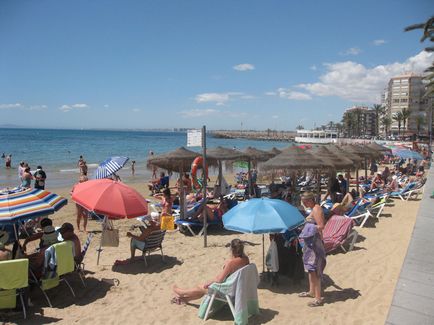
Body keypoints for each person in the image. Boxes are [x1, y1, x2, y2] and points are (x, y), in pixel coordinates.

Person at [171, 239, 249, 304]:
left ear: (232, 249)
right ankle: (185, 299)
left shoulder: (231, 263)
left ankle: (182, 292)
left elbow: (219, 280)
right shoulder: (246, 259)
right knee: (202, 288)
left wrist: (210, 282)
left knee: (201, 287)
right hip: (238, 289)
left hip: (228, 292)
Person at [299, 192, 326, 307]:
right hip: (310, 242)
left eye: (304, 202)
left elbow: (321, 226)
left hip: (314, 243)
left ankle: (318, 298)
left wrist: (308, 227)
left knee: (315, 269)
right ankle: (311, 292)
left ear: (310, 200)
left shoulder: (316, 209)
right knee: (310, 269)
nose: (304, 204)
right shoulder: (313, 209)